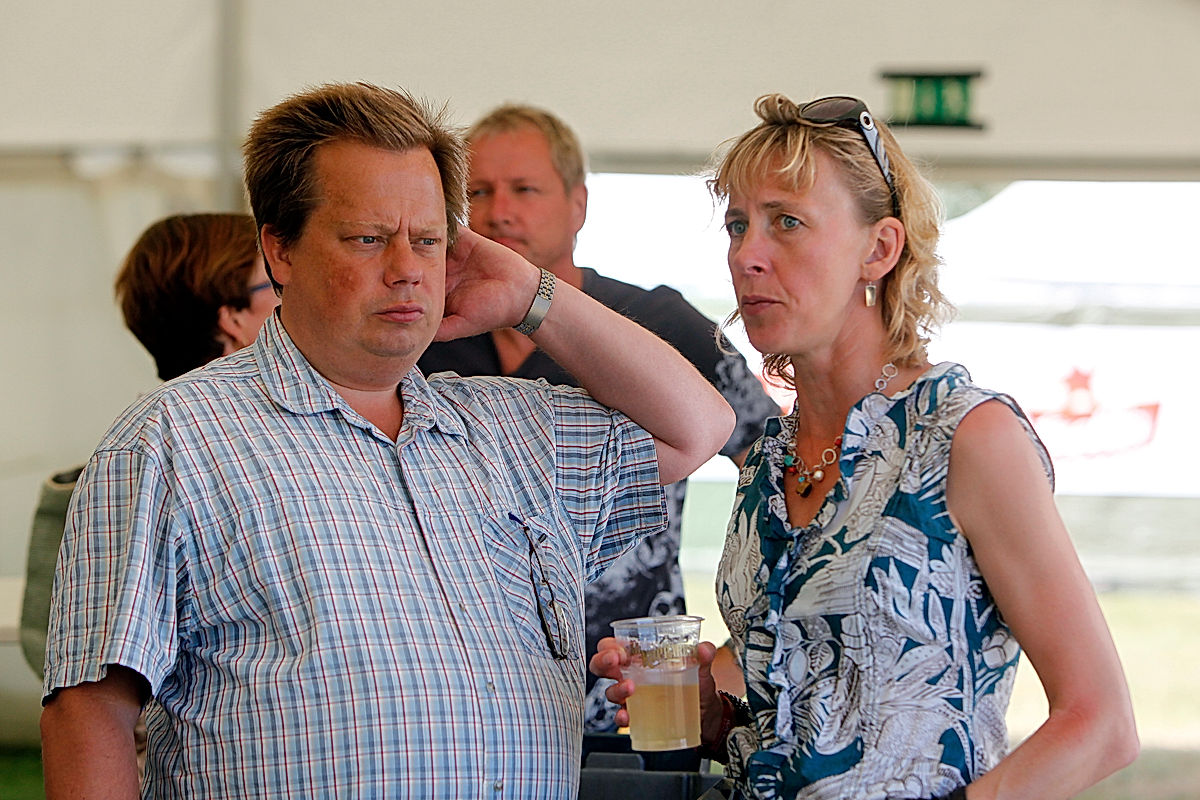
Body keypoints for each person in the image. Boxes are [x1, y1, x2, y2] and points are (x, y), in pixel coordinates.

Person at [39, 82, 734, 799]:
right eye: (368, 238)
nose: (407, 268)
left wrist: (532, 294)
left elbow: (698, 427)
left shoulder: (513, 428)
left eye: (429, 240)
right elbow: (90, 710)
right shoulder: (174, 439)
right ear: (279, 249)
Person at [592, 94, 1139, 799]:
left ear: (879, 250)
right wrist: (712, 714)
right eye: (737, 225)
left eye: (786, 222)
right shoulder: (765, 463)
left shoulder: (963, 437)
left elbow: (1101, 722)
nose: (747, 255)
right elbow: (802, 727)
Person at [419, 105, 776, 729]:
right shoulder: (424, 341)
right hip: (471, 716)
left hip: (640, 710)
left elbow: (781, 467)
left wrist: (739, 653)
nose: (500, 211)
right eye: (478, 191)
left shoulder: (658, 326)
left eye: (525, 189)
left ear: (578, 205)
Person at [20, 212, 276, 679]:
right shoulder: (165, 460)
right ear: (233, 318)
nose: (293, 294)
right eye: (275, 282)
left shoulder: (144, 447)